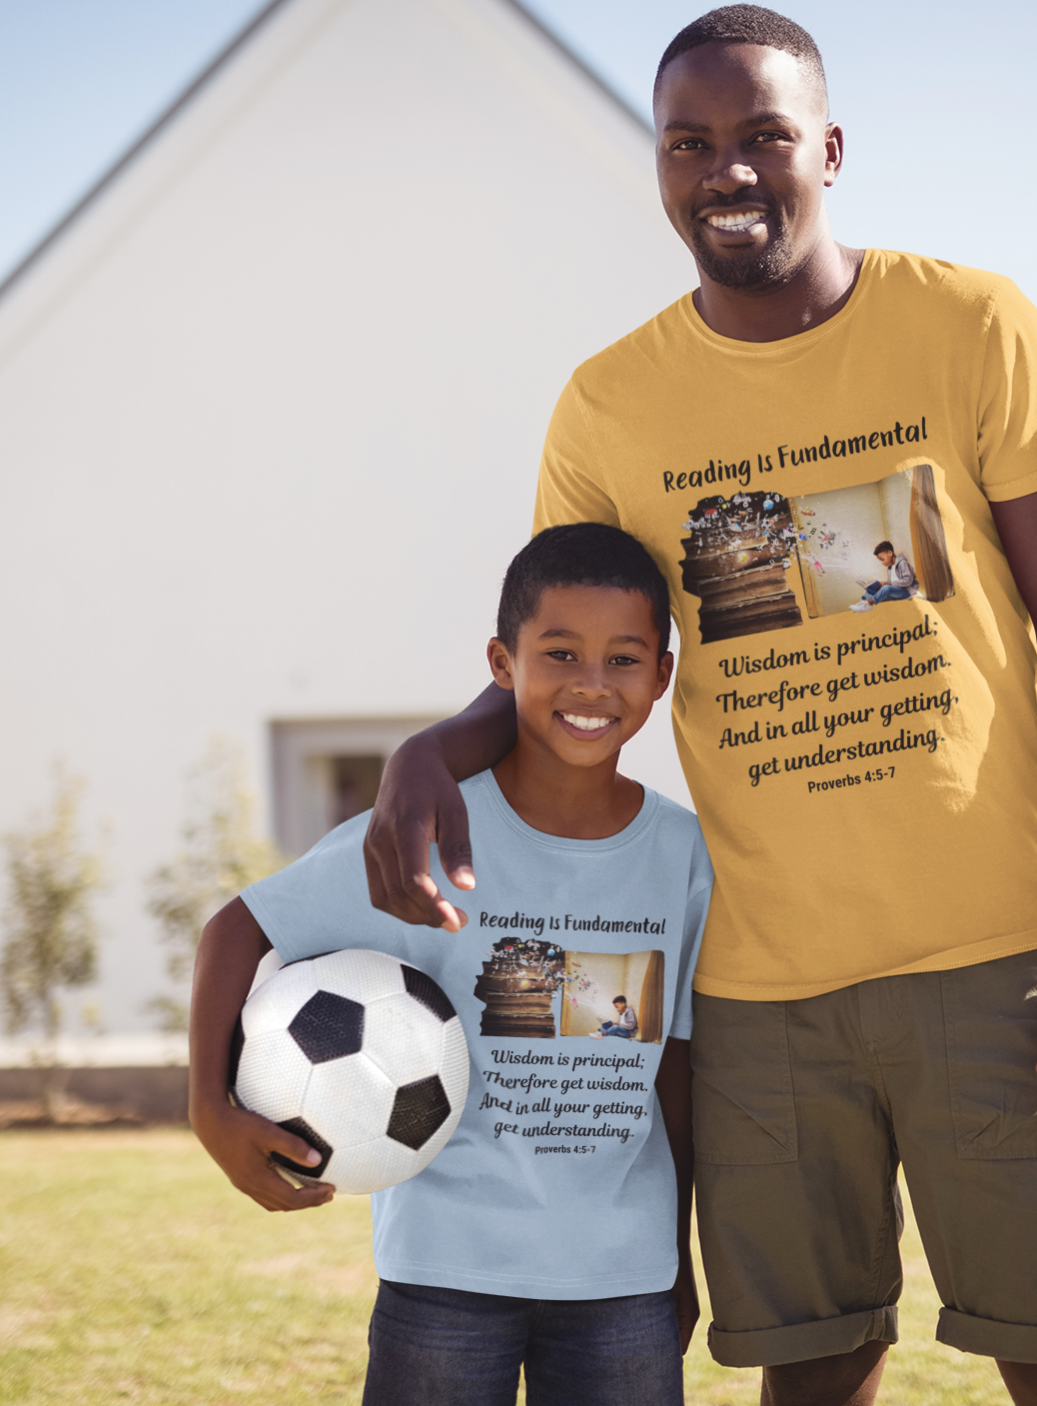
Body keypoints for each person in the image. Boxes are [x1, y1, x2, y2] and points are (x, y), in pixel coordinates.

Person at [362, 4, 1037, 1406]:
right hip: (757, 986)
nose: (728, 171)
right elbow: (571, 669)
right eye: (692, 143)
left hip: (996, 964)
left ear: (829, 149)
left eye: (763, 137)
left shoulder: (974, 324)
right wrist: (437, 743)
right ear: (660, 167)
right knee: (811, 1363)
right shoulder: (610, 406)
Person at [188, 524, 711, 1406]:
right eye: (560, 652)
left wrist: (678, 1250)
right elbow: (236, 929)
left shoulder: (685, 855)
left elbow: (679, 1070)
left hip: (620, 1278)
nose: (591, 683)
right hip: (443, 1271)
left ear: (662, 674)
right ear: (503, 663)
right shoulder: (423, 831)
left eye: (624, 659)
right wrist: (209, 1105)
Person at [852, 541, 917, 611]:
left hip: (905, 592)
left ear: (890, 553)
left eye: (882, 559)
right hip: (894, 592)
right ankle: (863, 602)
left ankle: (868, 604)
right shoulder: (890, 568)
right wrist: (882, 585)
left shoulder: (902, 563)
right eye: (880, 561)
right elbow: (889, 582)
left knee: (886, 588)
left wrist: (889, 584)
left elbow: (908, 581)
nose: (882, 563)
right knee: (872, 589)